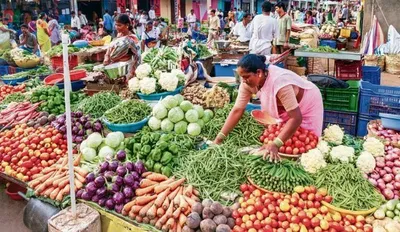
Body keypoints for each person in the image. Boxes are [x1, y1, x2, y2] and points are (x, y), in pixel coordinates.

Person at [213, 54, 323, 161]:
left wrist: (276, 144)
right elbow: (237, 110)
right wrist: (219, 138)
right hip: (286, 108)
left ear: (259, 73)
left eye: (246, 77)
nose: (243, 81)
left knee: (308, 141)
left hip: (308, 102)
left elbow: (296, 118)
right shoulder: (247, 84)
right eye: (241, 77)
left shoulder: (279, 82)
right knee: (288, 137)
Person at [104, 14, 139, 79]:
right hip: (114, 67)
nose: (116, 27)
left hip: (125, 68)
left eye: (119, 25)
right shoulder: (119, 34)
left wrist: (132, 72)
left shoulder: (132, 38)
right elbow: (111, 47)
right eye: (116, 25)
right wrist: (107, 56)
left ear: (127, 25)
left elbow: (137, 57)